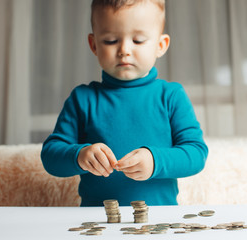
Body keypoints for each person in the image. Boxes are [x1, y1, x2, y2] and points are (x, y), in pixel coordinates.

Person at [41, 0, 208, 207]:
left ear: (160, 45)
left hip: (159, 222)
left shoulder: (171, 96)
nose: (124, 50)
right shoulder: (82, 98)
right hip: (96, 223)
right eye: (110, 40)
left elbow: (196, 153)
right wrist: (80, 155)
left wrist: (155, 161)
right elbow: (50, 155)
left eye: (138, 40)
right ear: (94, 45)